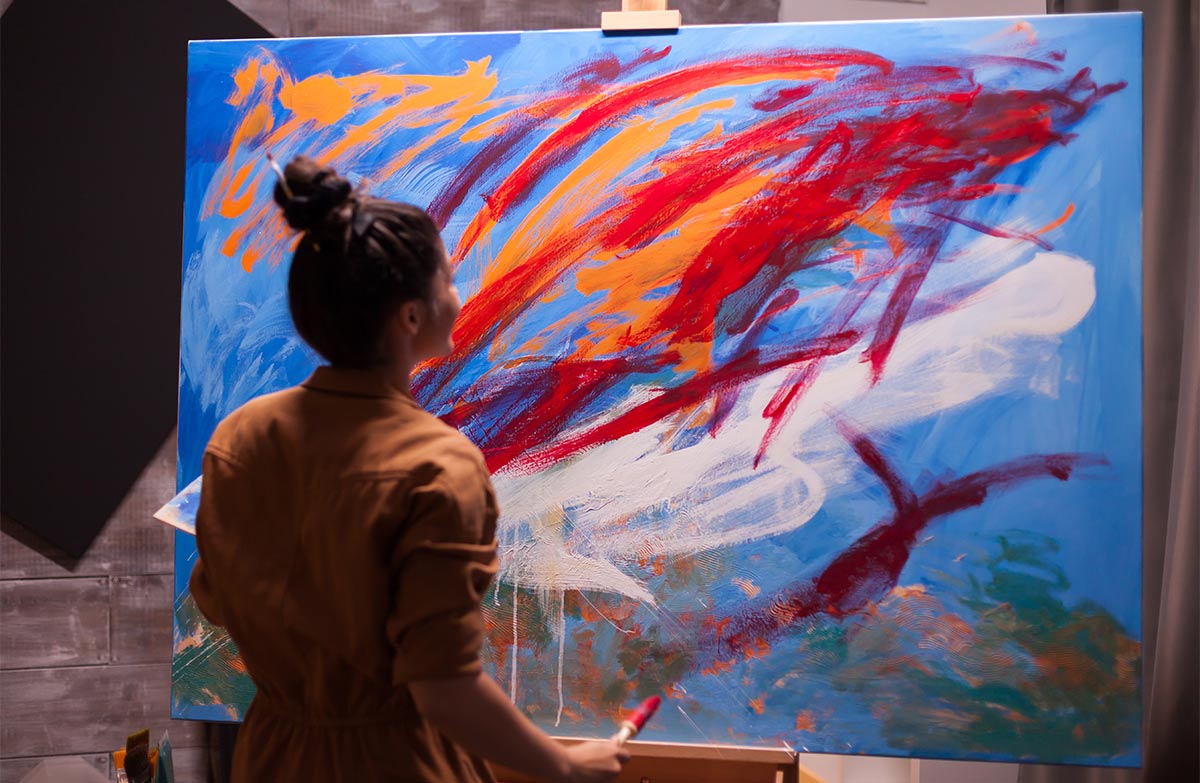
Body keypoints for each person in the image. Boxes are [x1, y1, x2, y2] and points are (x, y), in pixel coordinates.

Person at [188, 155, 631, 783]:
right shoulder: (437, 466)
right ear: (412, 317)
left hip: (272, 757)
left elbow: (212, 599)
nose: (459, 293)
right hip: (393, 764)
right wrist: (562, 762)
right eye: (447, 279)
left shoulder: (241, 438)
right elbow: (443, 689)